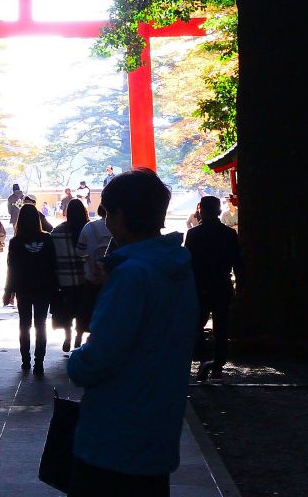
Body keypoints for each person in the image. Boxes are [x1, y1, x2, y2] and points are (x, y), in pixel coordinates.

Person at [66, 169, 197, 495]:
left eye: (108, 213)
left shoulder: (132, 275)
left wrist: (75, 362)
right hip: (158, 427)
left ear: (121, 215)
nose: (107, 221)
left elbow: (99, 357)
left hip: (116, 434)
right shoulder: (176, 266)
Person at [184, 195, 243, 383]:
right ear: (218, 211)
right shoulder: (229, 234)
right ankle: (218, 364)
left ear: (201, 209)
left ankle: (202, 359)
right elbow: (237, 263)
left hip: (199, 286)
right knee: (222, 326)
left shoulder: (194, 234)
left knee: (196, 325)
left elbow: (188, 263)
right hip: (222, 284)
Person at [4, 205, 57, 374]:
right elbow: (53, 265)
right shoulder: (47, 240)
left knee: (24, 324)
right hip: (43, 287)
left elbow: (12, 268)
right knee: (41, 324)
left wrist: (8, 291)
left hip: (23, 287)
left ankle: (25, 360)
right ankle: (39, 361)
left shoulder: (16, 242)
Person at [50, 198, 89, 352]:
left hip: (63, 279)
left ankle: (67, 336)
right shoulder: (88, 229)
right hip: (85, 279)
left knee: (66, 310)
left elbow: (51, 255)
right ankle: (79, 337)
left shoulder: (58, 231)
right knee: (81, 309)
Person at [76, 203, 112, 336]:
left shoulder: (89, 227)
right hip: (112, 277)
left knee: (89, 306)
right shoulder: (121, 228)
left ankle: (82, 334)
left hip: (92, 276)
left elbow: (80, 251)